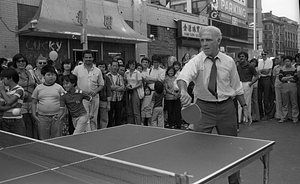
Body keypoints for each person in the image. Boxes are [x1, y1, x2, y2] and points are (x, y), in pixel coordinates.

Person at [176, 26, 249, 184]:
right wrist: (183, 91)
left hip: (226, 108)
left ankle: (235, 181)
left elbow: (237, 87)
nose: (204, 44)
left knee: (231, 148)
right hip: (203, 109)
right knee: (199, 149)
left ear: (218, 40)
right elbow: (183, 76)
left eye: (208, 40)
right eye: (201, 40)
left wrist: (244, 107)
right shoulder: (195, 61)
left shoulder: (229, 61)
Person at [31, 65, 65, 140]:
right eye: (48, 75)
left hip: (56, 117)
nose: (51, 77)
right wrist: (34, 114)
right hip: (42, 117)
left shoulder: (59, 87)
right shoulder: (38, 88)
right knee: (43, 139)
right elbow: (34, 102)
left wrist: (63, 114)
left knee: (57, 138)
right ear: (43, 76)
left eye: (53, 74)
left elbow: (65, 101)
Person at [73, 50, 104, 130]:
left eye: (90, 57)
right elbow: (73, 83)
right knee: (84, 119)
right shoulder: (77, 69)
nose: (88, 59)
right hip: (82, 98)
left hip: (94, 97)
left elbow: (101, 84)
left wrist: (95, 91)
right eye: (86, 57)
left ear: (93, 58)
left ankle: (94, 135)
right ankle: (86, 136)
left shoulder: (97, 70)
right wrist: (81, 92)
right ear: (83, 58)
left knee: (93, 118)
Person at [13, 53, 38, 138]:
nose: (21, 63)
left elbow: (37, 83)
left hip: (33, 102)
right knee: (23, 126)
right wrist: (22, 93)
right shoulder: (13, 74)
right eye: (18, 61)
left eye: (23, 61)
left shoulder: (30, 72)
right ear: (15, 63)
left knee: (35, 125)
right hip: (20, 103)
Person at [0, 68, 26, 136]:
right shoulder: (5, 91)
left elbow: (9, 101)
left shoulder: (19, 89)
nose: (2, 81)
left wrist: (2, 91)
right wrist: (11, 106)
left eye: (3, 78)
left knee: (19, 142)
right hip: (4, 120)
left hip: (16, 120)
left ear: (10, 78)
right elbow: (0, 107)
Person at [236, 52, 259, 124]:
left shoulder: (250, 66)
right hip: (239, 84)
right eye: (240, 57)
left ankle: (246, 119)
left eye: (242, 56)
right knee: (239, 102)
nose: (241, 58)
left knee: (247, 102)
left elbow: (257, 76)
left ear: (246, 57)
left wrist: (251, 83)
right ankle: (239, 119)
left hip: (247, 84)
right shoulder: (238, 66)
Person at [278, 56, 299, 124]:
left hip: (293, 85)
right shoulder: (282, 69)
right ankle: (284, 117)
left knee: (294, 102)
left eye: (288, 61)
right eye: (286, 61)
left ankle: (295, 118)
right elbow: (281, 78)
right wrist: (291, 77)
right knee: (285, 102)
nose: (287, 63)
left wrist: (286, 78)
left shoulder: (294, 69)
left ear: (291, 61)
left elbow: (295, 79)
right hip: (284, 86)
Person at [124, 59, 143, 125]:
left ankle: (138, 124)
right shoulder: (126, 73)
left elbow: (140, 83)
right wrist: (127, 86)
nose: (132, 65)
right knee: (129, 109)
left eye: (134, 64)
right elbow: (125, 81)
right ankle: (131, 123)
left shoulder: (137, 73)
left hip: (135, 90)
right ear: (129, 65)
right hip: (128, 91)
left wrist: (134, 87)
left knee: (136, 110)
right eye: (131, 64)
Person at [107, 60, 125, 127]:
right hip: (110, 100)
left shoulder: (120, 76)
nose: (115, 67)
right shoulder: (107, 76)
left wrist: (113, 88)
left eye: (116, 66)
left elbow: (123, 87)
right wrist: (117, 87)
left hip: (118, 99)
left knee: (118, 118)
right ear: (111, 66)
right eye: (113, 66)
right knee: (110, 118)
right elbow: (108, 88)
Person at [257, 50, 273, 121]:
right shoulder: (260, 61)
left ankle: (267, 114)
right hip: (260, 79)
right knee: (259, 98)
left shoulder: (269, 61)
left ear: (267, 54)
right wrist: (263, 71)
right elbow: (259, 71)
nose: (263, 55)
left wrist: (262, 71)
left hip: (267, 79)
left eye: (265, 54)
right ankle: (261, 114)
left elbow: (267, 71)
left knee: (266, 98)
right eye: (262, 54)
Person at [96, 61, 112, 129]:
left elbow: (108, 91)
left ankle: (103, 130)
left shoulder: (107, 78)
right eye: (100, 67)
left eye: (103, 67)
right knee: (94, 117)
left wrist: (108, 103)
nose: (101, 68)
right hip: (95, 99)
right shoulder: (93, 78)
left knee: (104, 118)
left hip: (104, 100)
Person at [272, 56, 284, 120]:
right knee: (278, 99)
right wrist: (274, 85)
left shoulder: (285, 67)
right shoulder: (275, 67)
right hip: (277, 83)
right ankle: (279, 115)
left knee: (285, 99)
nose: (277, 60)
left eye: (278, 59)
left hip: (285, 84)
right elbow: (274, 77)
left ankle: (286, 114)